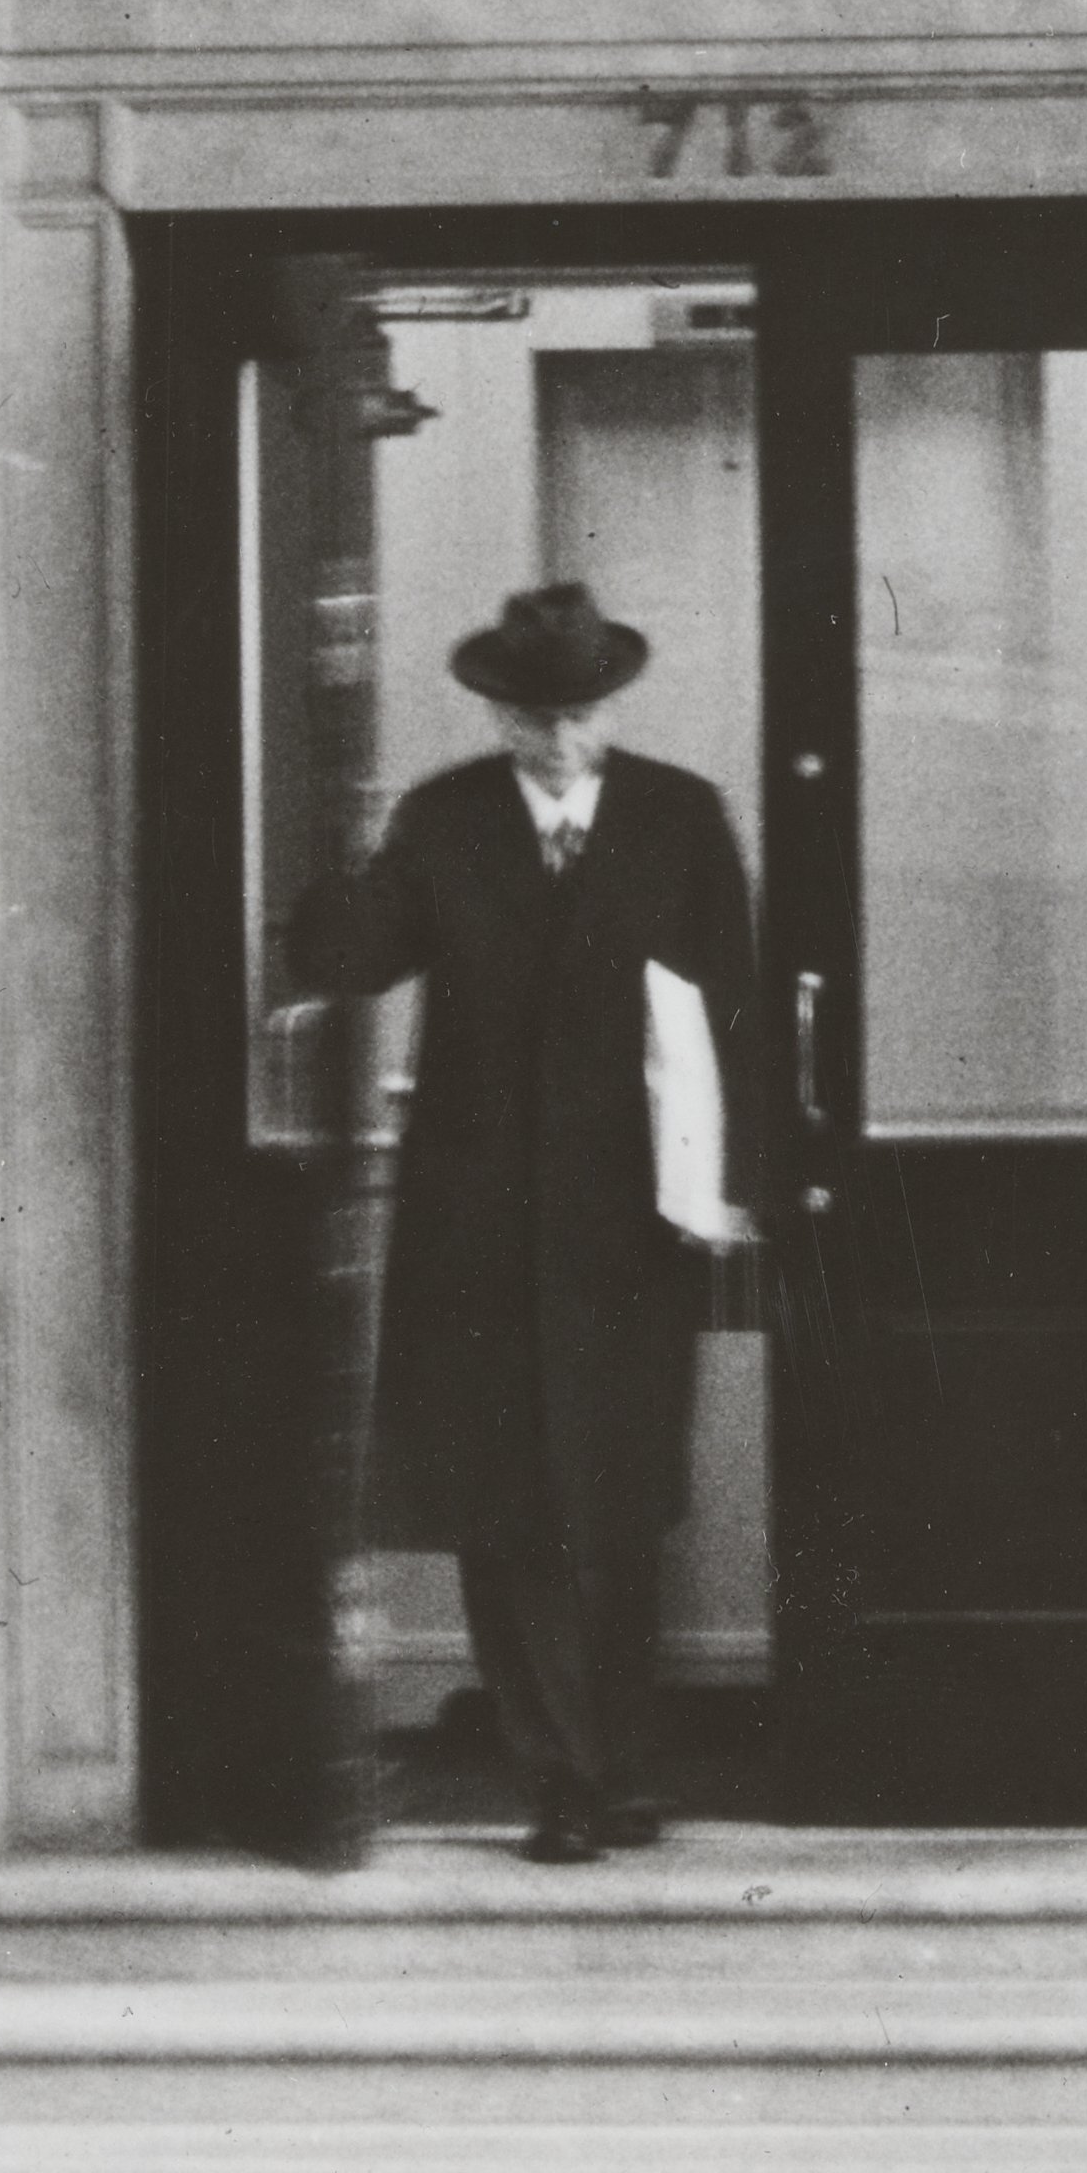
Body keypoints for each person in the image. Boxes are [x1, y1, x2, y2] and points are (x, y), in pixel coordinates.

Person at [288, 582, 761, 1864]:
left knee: (617, 1506)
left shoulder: (679, 818)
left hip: (629, 1229)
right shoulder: (442, 822)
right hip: (480, 1237)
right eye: (537, 720)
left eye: (583, 715)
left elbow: (735, 1004)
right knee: (509, 1513)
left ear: (613, 707)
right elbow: (352, 959)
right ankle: (561, 1777)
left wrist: (731, 1196)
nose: (562, 743)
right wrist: (335, 853)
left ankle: (624, 1767)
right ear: (498, 717)